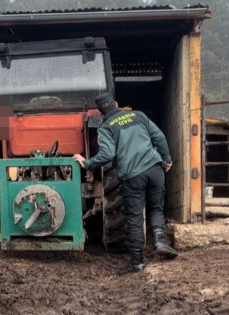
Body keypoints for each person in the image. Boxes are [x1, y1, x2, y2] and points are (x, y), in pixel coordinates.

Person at [73, 92, 178, 272]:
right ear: (116, 104)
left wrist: (87, 163)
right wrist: (166, 159)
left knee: (135, 218)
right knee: (156, 208)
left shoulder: (105, 127)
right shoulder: (139, 115)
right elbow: (159, 138)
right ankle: (160, 241)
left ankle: (137, 262)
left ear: (101, 112)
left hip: (133, 176)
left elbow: (107, 154)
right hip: (155, 169)